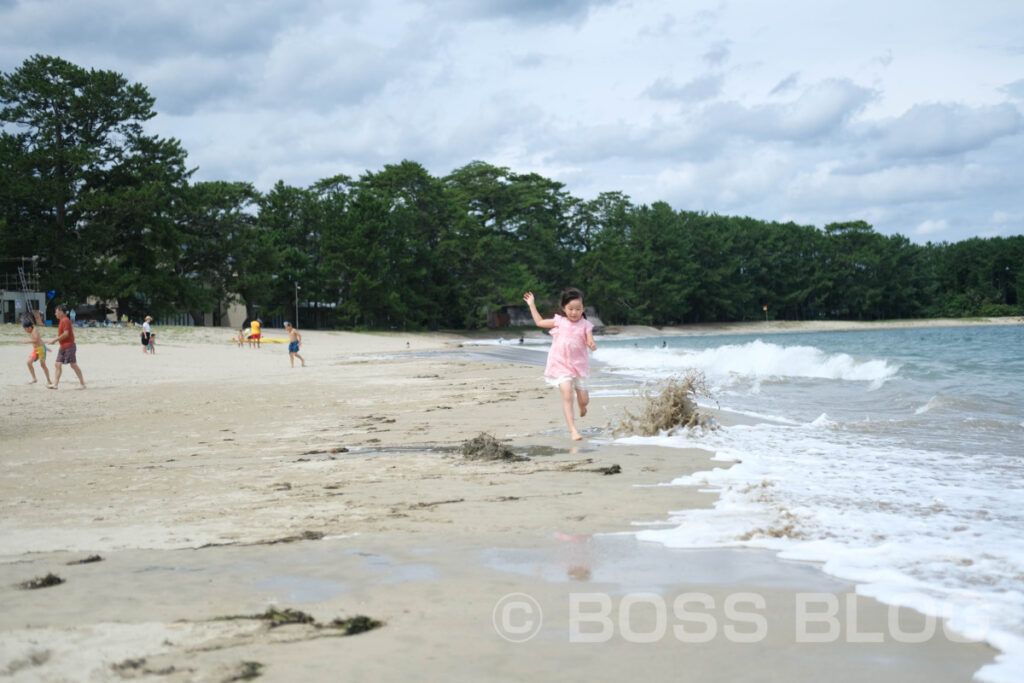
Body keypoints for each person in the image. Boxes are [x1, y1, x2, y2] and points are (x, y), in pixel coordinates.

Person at [523, 288, 596, 440]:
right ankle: (573, 430)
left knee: (584, 400)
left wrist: (591, 343)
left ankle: (582, 406)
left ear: (583, 309)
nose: (574, 312)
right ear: (564, 308)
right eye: (570, 309)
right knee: (567, 394)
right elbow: (539, 322)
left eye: (578, 309)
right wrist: (531, 304)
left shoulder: (586, 325)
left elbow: (590, 339)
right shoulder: (560, 321)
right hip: (560, 364)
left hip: (579, 365)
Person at [49, 305, 86, 389]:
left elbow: (66, 334)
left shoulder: (65, 320)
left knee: (73, 365)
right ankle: (55, 384)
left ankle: (82, 383)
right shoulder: (62, 320)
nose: (55, 314)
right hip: (63, 346)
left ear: (61, 312)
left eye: (56, 312)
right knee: (57, 364)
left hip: (69, 346)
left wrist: (55, 340)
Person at [21, 321, 52, 385]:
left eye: (25, 329)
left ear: (29, 327)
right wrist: (46, 347)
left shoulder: (34, 331)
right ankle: (34, 379)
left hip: (41, 349)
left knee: (43, 365)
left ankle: (49, 380)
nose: (25, 330)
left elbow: (36, 340)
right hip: (35, 349)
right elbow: (40, 340)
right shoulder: (31, 331)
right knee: (29, 363)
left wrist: (26, 342)